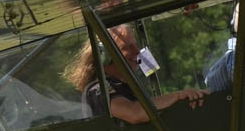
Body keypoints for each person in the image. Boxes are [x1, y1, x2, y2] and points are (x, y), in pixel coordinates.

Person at [66, 23, 207, 123]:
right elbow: (134, 113)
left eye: (135, 45)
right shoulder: (98, 89)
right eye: (128, 47)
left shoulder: (125, 85)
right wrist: (178, 95)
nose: (138, 52)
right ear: (104, 56)